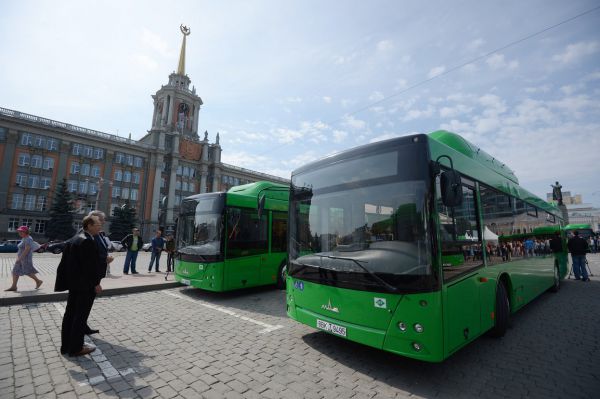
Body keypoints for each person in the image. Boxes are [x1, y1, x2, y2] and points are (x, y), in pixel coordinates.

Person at [55, 215, 106, 356]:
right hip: (85, 286)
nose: (100, 226)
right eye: (97, 224)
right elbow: (89, 267)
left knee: (70, 315)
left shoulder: (75, 238)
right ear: (89, 225)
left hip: (75, 284)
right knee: (80, 317)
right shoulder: (88, 241)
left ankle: (66, 346)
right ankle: (76, 348)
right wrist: (96, 283)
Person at [4, 226, 43, 291]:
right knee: (15, 271)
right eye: (19, 231)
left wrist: (20, 258)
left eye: (21, 231)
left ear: (26, 232)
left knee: (27, 272)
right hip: (21, 258)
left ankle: (38, 281)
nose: (19, 233)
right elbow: (20, 249)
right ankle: (14, 286)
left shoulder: (28, 239)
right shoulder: (24, 238)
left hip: (25, 259)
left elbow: (27, 249)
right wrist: (18, 258)